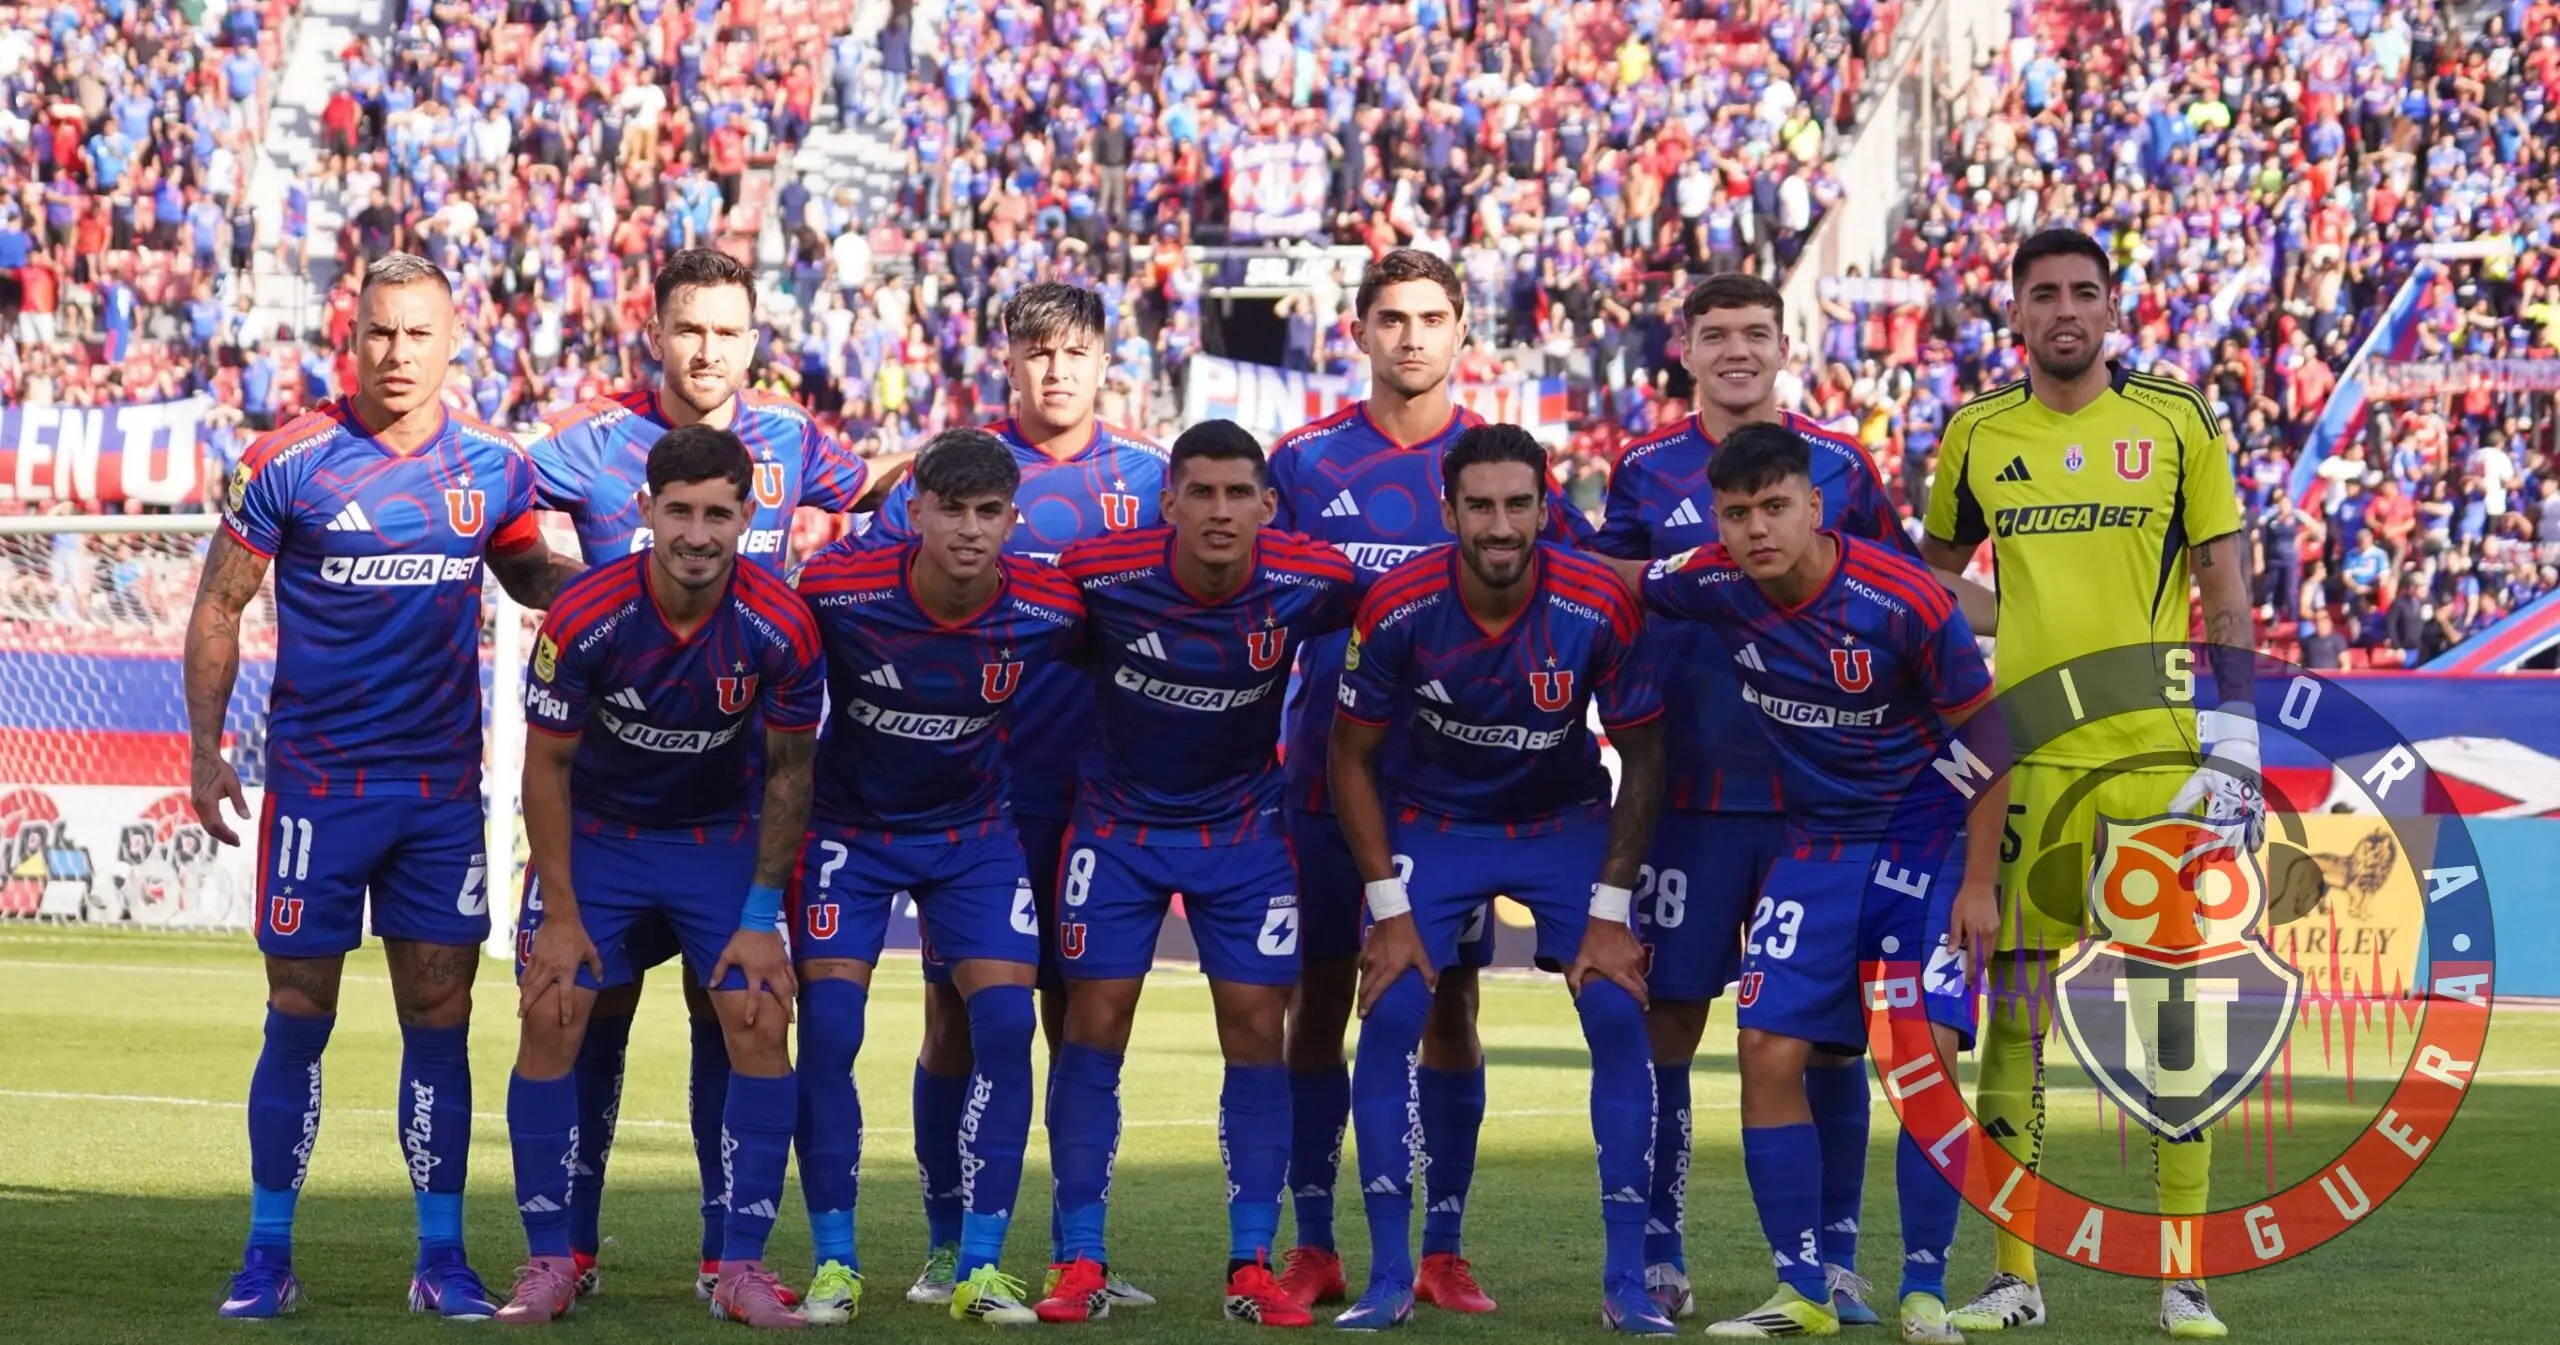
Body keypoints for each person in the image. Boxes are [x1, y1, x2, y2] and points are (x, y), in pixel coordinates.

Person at [187, 252, 581, 1320]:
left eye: (419, 334)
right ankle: (267, 1254)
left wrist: (610, 588)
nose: (398, 353)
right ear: (348, 339)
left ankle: (441, 1260)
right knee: (297, 1011)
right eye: (380, 333)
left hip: (440, 796)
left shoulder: (495, 471)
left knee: (439, 1017)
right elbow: (221, 604)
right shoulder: (289, 460)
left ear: (453, 343)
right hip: (316, 792)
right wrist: (205, 748)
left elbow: (531, 576)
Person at [519, 246, 906, 1303]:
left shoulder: (790, 439)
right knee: (576, 1007)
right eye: (688, 327)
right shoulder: (592, 442)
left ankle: (724, 1258)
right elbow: (491, 495)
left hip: (731, 802)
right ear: (656, 332)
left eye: (727, 331)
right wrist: (553, 585)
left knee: (732, 1008)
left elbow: (888, 492)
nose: (707, 349)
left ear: (752, 340)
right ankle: (568, 1250)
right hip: (603, 797)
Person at [1917, 228, 2256, 1339]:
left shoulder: (2177, 420)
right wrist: (2011, 623)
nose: (2063, 309)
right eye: (2041, 294)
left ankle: (2182, 1280)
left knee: (2169, 1019)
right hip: (2023, 762)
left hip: (2151, 763)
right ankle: (2015, 1279)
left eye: (2083, 292)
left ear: (2112, 308)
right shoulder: (1975, 433)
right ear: (2014, 313)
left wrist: (2236, 741)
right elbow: (1933, 586)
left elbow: (2222, 585)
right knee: (2013, 1015)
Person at [1587, 272, 1920, 1325]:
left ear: (1785, 345)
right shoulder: (1641, 469)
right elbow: (1609, 598)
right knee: (1672, 1020)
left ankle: (1833, 1259)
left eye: (1755, 333)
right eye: (1716, 333)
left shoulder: (1844, 464)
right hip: (1689, 789)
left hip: (1818, 800)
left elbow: (1900, 603)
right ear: (1684, 349)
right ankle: (1662, 1247)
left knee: (1825, 1035)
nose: (1737, 350)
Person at [1265, 249, 1589, 1314]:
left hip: (1459, 794)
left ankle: (1442, 1246)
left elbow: (1584, 591)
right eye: (1392, 317)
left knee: (1449, 1002)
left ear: (1462, 334)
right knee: (1317, 1004)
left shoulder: (1501, 467)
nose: (1411, 335)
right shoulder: (1304, 463)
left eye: (1432, 317)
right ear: (1357, 330)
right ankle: (1313, 1240)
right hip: (1329, 776)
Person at [1629, 423, 2001, 1343]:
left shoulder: (1902, 597)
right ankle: (1800, 1290)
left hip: (1928, 849)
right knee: (1766, 1049)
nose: (1757, 529)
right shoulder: (1711, 582)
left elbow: (1991, 739)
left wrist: (1981, 886)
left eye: (1775, 507)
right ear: (1717, 521)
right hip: (1819, 847)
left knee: (1923, 1063)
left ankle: (1923, 1288)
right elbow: (1614, 581)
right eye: (1737, 513)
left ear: (1816, 507)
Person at [862, 282, 1169, 1311]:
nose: (1055, 371)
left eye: (1073, 351)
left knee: (1089, 1021)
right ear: (1008, 360)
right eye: (1036, 352)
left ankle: (1082, 1247)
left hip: (1101, 806)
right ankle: (949, 1245)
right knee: (957, 1017)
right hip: (979, 801)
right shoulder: (958, 469)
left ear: (1103, 360)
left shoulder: (1149, 478)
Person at [1327, 423, 1671, 1333]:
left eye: (1518, 502)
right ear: (1448, 511)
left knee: (1613, 1005)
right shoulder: (1397, 604)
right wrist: (1389, 907)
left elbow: (1643, 757)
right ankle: (1393, 1272)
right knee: (1394, 1006)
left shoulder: (1599, 600)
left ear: (1545, 506)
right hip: (1435, 825)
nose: (1500, 522)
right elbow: (1348, 757)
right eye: (1479, 504)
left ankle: (1626, 1282)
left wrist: (1606, 910)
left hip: (1562, 822)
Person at [494, 425, 824, 1329]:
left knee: (758, 1012)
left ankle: (742, 1269)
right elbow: (546, 769)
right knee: (555, 1003)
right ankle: (549, 1261)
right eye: (678, 510)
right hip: (599, 836)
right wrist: (560, 913)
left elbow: (793, 772)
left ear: (747, 518)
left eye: (719, 513)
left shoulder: (781, 621)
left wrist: (762, 911)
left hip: (718, 838)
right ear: (645, 511)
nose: (698, 532)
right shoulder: (585, 615)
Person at [1036, 421, 1358, 1327]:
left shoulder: (1312, 579)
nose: (1220, 511)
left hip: (1246, 834)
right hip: (1115, 828)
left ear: (1267, 503)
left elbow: (1410, 608)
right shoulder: (1097, 572)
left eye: (1237, 494)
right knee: (1093, 1026)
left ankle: (1252, 1261)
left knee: (1260, 1031)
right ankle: (1080, 1256)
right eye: (1201, 492)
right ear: (1168, 498)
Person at [788, 428, 1088, 1326]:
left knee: (1003, 1024)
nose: (968, 529)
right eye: (949, 509)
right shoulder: (838, 588)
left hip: (975, 836)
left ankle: (979, 1263)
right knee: (833, 1033)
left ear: (1012, 519)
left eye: (987, 511)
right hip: (852, 832)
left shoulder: (1050, 604)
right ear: (910, 510)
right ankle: (836, 1262)